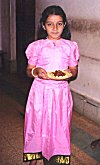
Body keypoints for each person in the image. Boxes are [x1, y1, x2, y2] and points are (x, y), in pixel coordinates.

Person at [23, 5, 80, 165]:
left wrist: (67, 74)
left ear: (64, 25)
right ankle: (35, 155)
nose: (55, 28)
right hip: (40, 92)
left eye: (59, 24)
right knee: (37, 123)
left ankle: (57, 155)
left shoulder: (70, 46)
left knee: (59, 125)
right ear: (43, 25)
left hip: (60, 93)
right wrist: (36, 71)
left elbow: (74, 71)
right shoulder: (37, 46)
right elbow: (29, 70)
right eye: (50, 24)